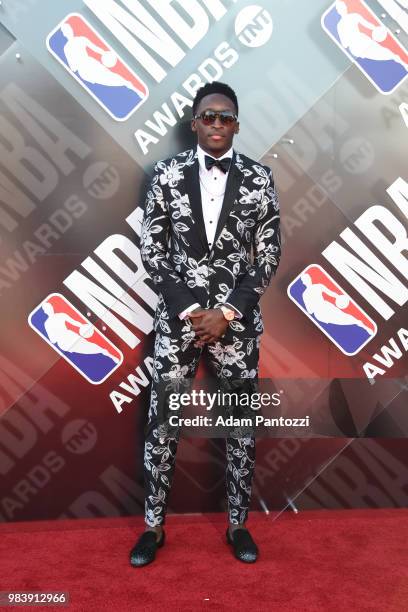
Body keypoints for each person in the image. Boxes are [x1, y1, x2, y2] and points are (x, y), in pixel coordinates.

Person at [130, 81, 281, 566]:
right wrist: (190, 311)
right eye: (209, 116)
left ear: (236, 123)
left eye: (226, 117)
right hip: (179, 321)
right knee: (162, 424)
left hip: (236, 324)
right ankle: (153, 527)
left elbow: (269, 253)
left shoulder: (260, 177)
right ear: (194, 123)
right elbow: (153, 249)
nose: (217, 124)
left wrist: (229, 311)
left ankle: (239, 524)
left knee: (239, 424)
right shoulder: (164, 174)